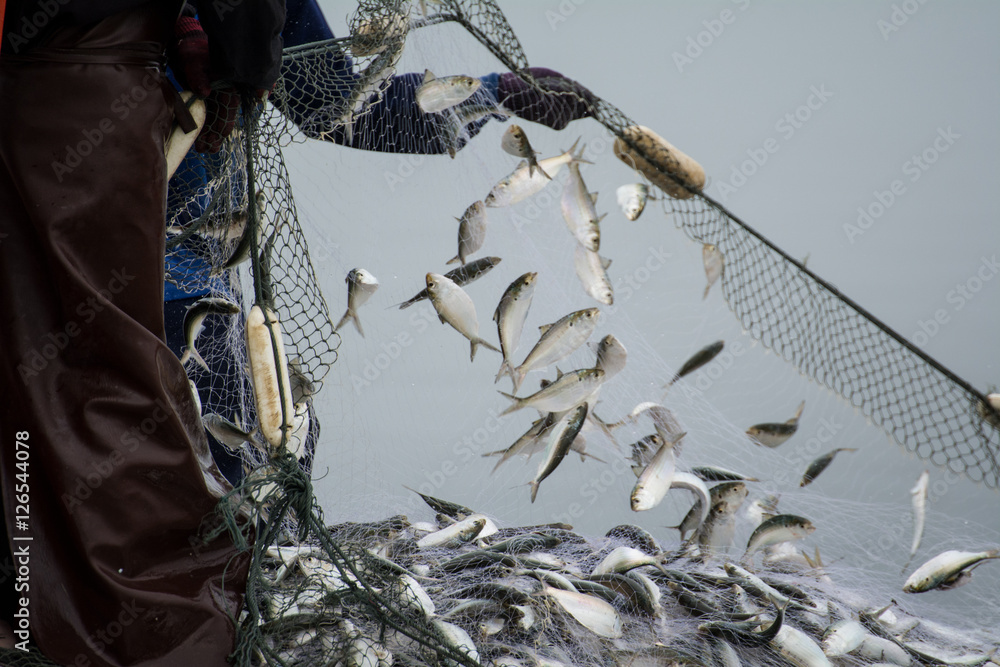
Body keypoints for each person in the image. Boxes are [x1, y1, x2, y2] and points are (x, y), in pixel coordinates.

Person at [164, 0, 599, 487]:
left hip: (205, 277)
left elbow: (339, 104)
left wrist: (496, 95)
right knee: (208, 463)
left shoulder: (278, 6)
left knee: (277, 442)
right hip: (117, 269)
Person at [0, 2, 284, 665]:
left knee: (27, 365)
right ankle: (161, 618)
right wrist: (239, 60)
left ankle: (28, 600)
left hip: (36, 93)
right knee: (104, 364)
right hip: (89, 94)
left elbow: (330, 95)